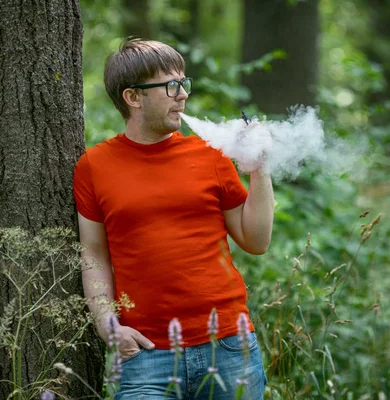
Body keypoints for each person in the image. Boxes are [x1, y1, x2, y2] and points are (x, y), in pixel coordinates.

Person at [73, 38, 274, 399]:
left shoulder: (212, 155)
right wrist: (106, 324)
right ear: (133, 98)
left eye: (184, 84)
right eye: (170, 86)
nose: (182, 95)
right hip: (146, 354)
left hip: (228, 346)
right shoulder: (94, 166)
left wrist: (260, 169)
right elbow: (93, 254)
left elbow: (255, 241)